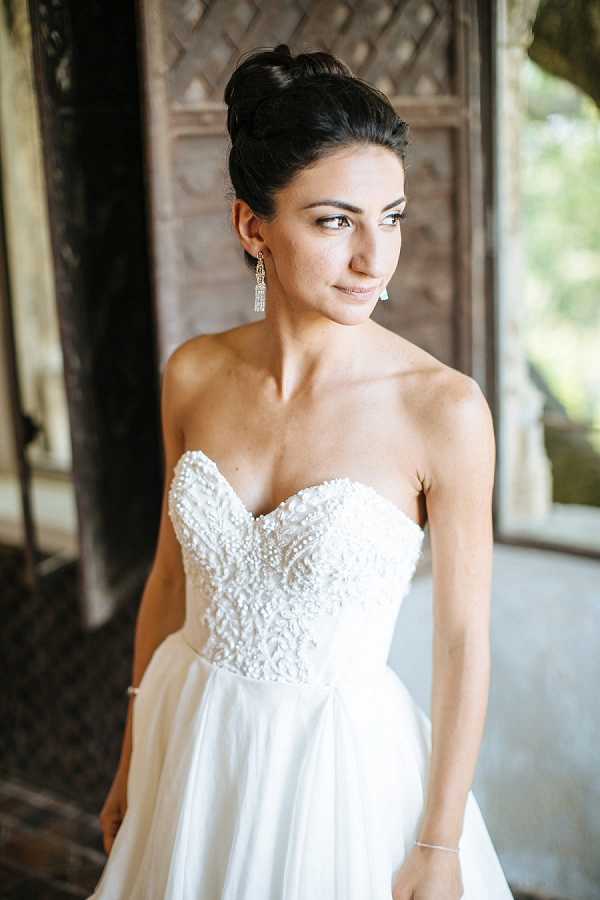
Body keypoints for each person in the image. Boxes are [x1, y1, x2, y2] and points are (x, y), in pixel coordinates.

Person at [89, 44, 514, 900]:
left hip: (339, 771)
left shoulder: (444, 409)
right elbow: (172, 579)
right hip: (190, 734)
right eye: (335, 221)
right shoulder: (194, 374)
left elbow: (464, 642)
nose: (375, 257)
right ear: (253, 226)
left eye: (390, 216)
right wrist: (135, 757)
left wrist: (438, 844)